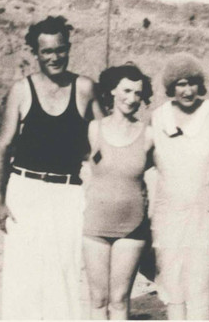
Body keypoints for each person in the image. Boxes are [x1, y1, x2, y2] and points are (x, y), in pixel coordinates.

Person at [0, 16, 102, 319]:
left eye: (61, 50)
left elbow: (105, 144)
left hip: (68, 194)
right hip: (25, 191)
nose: (54, 58)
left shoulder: (84, 88)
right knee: (22, 276)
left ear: (68, 49)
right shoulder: (21, 90)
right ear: (35, 53)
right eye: (47, 52)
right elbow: (3, 146)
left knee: (64, 273)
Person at [150, 53, 209, 320]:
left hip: (204, 215)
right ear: (171, 86)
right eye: (181, 84)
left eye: (192, 83)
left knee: (199, 288)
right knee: (173, 288)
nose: (187, 90)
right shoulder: (158, 117)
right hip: (167, 215)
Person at [81, 64, 153, 320]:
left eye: (138, 93)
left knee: (120, 301)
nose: (132, 99)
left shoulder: (148, 135)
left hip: (132, 229)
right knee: (98, 301)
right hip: (95, 227)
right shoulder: (93, 129)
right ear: (112, 90)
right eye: (126, 90)